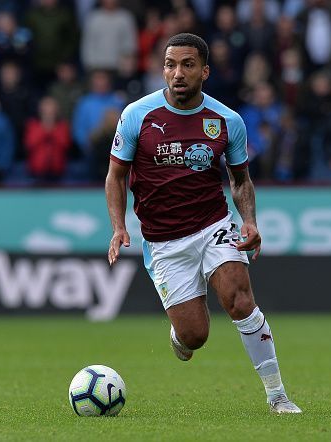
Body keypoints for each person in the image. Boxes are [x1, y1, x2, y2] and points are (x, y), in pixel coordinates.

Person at [105, 33, 301, 414]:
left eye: (187, 65)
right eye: (170, 65)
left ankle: (277, 395)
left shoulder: (227, 121)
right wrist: (118, 226)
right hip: (163, 242)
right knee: (195, 337)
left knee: (240, 300)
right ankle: (181, 333)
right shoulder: (137, 115)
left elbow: (240, 180)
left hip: (214, 225)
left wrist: (249, 221)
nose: (177, 73)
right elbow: (116, 176)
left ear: (204, 71)